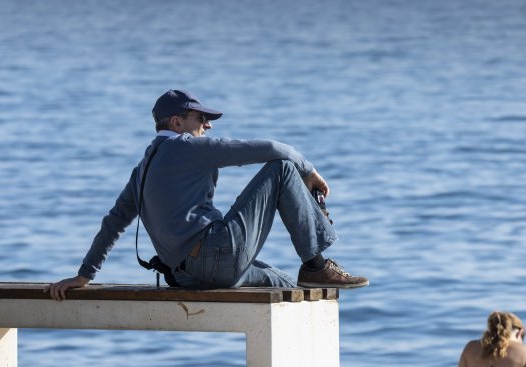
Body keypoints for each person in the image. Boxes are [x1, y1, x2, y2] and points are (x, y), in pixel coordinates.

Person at [46, 89, 368, 300]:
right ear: (177, 122)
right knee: (283, 169)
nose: (208, 126)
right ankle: (315, 264)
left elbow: (113, 222)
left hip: (186, 276)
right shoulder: (185, 147)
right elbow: (272, 149)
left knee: (286, 286)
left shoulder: (143, 168)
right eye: (201, 119)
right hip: (216, 258)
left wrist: (85, 274)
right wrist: (308, 170)